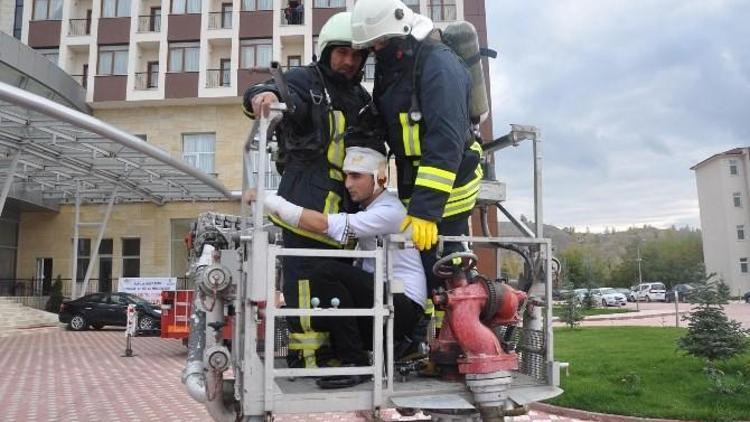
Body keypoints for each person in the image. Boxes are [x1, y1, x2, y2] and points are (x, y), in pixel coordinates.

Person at [242, 12, 370, 368]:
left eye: (356, 55)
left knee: (338, 292)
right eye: (342, 52)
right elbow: (268, 91)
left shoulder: (360, 97)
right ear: (327, 51)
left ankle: (334, 352)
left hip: (344, 218)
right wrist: (263, 95)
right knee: (304, 287)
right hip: (303, 205)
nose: (349, 61)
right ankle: (306, 357)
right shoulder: (305, 80)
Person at [248, 146, 427, 388]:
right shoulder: (372, 209)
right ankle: (348, 357)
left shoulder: (389, 211)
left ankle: (356, 362)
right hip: (385, 304)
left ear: (381, 178)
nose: (348, 183)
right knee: (328, 281)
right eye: (345, 175)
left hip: (404, 306)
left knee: (325, 271)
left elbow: (323, 225)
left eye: (356, 176)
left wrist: (271, 201)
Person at [350, 0, 484, 295]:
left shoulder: (438, 65)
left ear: (402, 31)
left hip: (451, 188)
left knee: (448, 269)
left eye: (381, 42)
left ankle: (458, 332)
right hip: (419, 188)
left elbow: (445, 141)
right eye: (372, 44)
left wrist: (426, 210)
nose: (375, 49)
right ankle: (430, 335)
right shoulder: (396, 66)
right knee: (425, 273)